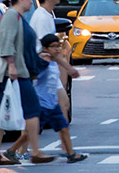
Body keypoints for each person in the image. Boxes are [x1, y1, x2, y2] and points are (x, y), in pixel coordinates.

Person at [0, 0, 54, 166]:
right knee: (33, 110)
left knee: (0, 113)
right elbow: (6, 41)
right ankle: (35, 151)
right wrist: (11, 65)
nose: (32, 3)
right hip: (14, 72)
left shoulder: (18, 17)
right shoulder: (11, 15)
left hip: (16, 71)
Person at [32, 34, 87, 162]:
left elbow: (59, 66)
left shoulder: (53, 60)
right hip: (40, 103)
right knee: (29, 132)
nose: (57, 49)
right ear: (45, 48)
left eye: (58, 46)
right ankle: (13, 151)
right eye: (53, 47)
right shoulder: (42, 60)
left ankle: (70, 154)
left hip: (52, 103)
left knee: (63, 127)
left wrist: (70, 69)